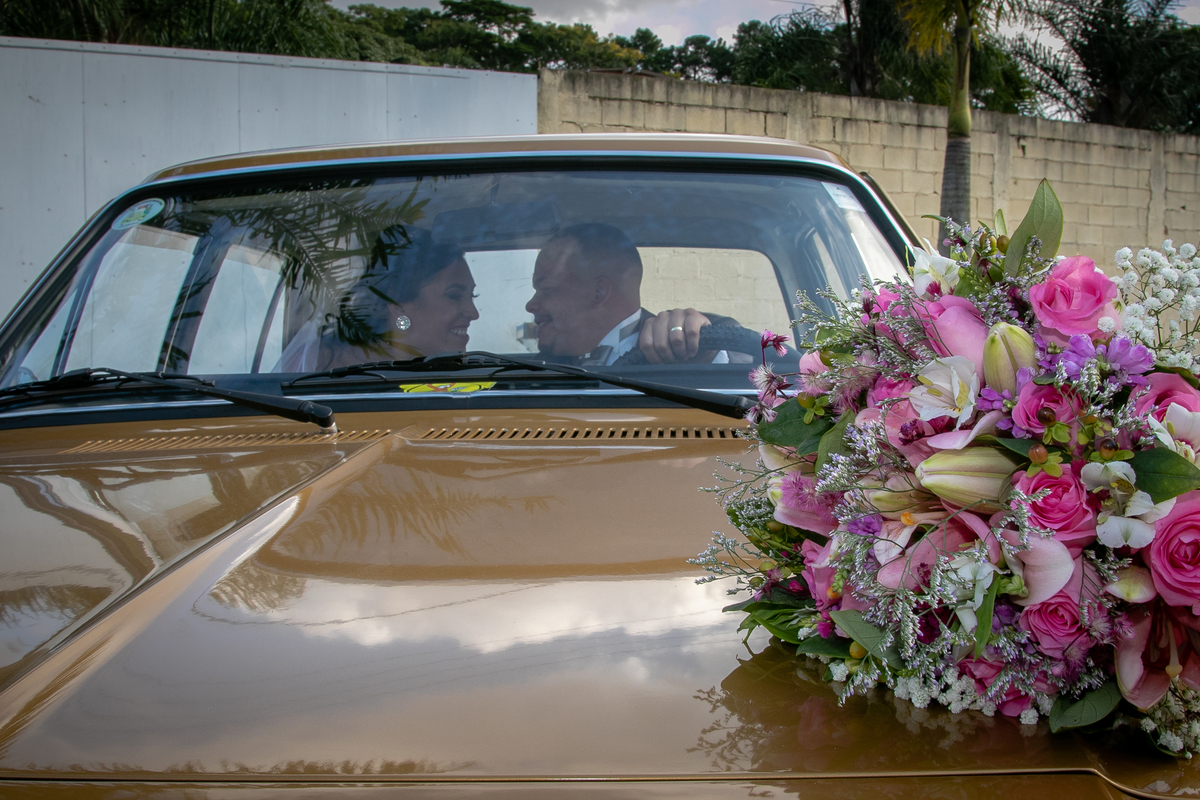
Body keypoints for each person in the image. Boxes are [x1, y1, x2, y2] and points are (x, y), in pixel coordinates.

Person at [274, 227, 478, 371]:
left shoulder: (460, 380)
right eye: (454, 296)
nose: (473, 313)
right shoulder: (318, 364)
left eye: (472, 296)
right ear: (398, 306)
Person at [525, 223, 717, 365]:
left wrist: (704, 352)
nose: (530, 306)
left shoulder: (697, 346)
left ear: (599, 291)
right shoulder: (531, 373)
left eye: (546, 290)